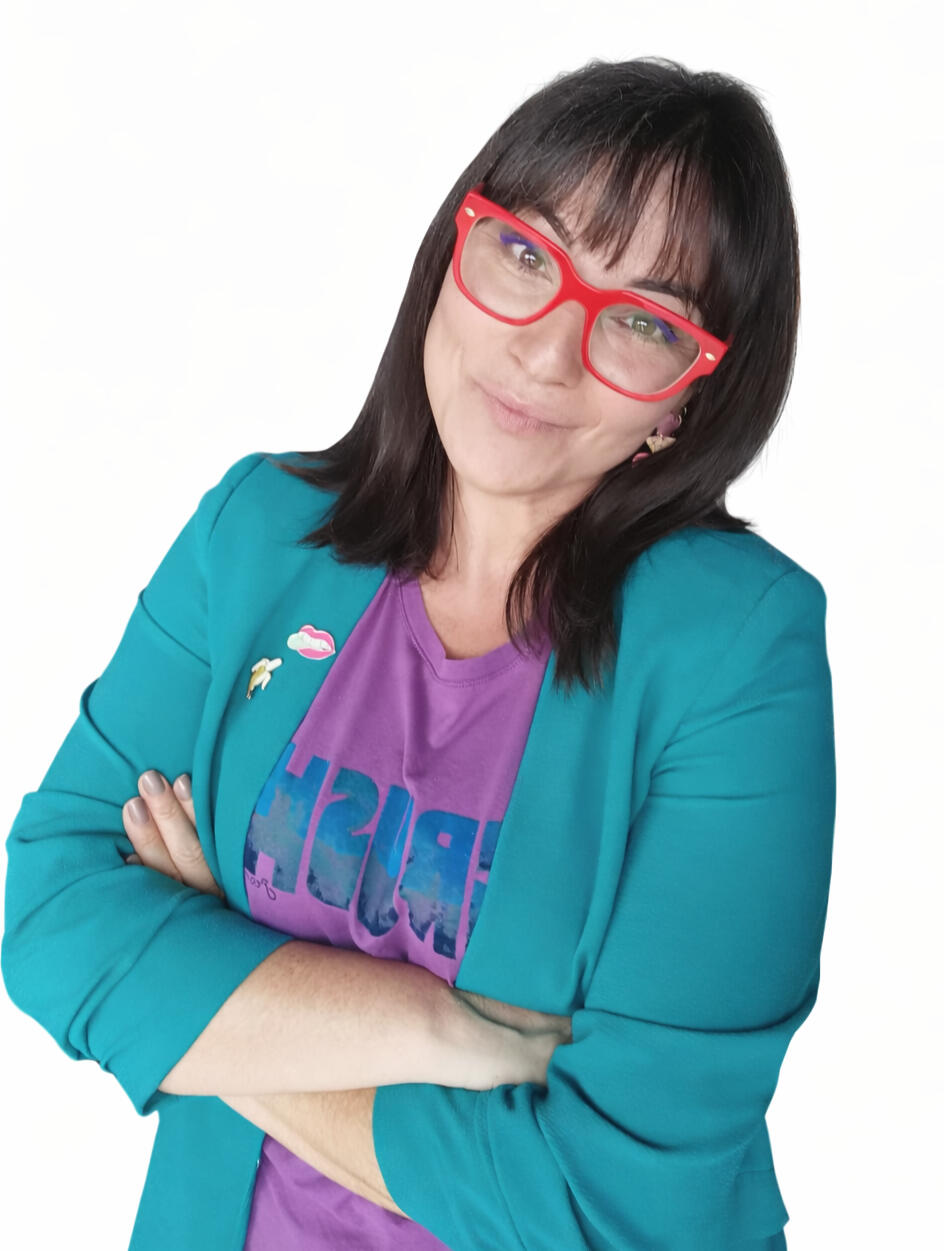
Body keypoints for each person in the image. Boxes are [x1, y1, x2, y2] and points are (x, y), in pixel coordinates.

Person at [1, 55, 836, 1251]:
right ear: (455, 249)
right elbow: (49, 917)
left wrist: (212, 989)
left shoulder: (733, 651)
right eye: (525, 255)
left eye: (642, 322)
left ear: (687, 401)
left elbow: (614, 1207)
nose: (546, 352)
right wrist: (450, 1031)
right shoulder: (258, 535)